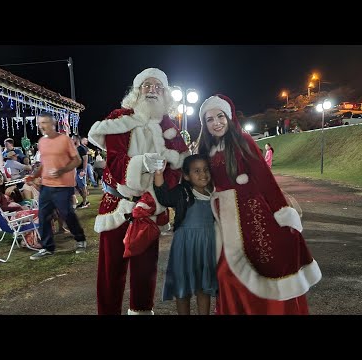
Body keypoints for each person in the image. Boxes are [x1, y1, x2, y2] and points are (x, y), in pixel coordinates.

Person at [197, 94, 321, 315]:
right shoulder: (206, 150)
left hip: (254, 214)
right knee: (227, 275)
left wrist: (283, 213)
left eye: (220, 116)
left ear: (229, 116)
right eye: (209, 119)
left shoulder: (243, 141)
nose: (216, 122)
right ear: (204, 125)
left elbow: (265, 179)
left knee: (265, 269)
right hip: (223, 221)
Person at [88, 67, 190, 315]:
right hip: (118, 205)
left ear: (164, 93)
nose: (152, 90)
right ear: (137, 90)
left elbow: (179, 166)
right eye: (147, 85)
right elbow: (114, 160)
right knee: (111, 269)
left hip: (150, 208)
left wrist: (160, 191)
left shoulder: (168, 125)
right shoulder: (120, 118)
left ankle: (142, 310)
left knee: (146, 268)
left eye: (157, 87)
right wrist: (142, 163)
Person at [154, 154, 218, 315]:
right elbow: (165, 198)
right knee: (183, 289)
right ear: (186, 175)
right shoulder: (183, 192)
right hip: (185, 246)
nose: (203, 174)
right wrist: (159, 174)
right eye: (196, 171)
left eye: (205, 170)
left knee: (204, 289)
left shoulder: (215, 193)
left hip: (207, 246)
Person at [27, 111, 87, 260]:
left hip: (63, 185)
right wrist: (34, 175)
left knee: (67, 213)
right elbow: (43, 164)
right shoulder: (41, 142)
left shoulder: (65, 140)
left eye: (44, 123)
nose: (41, 126)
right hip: (47, 185)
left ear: (53, 124)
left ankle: (80, 240)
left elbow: (77, 160)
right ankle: (47, 248)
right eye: (39, 123)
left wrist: (61, 170)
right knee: (43, 215)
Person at [0, 169, 40, 249]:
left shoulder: (3, 188)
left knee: (40, 212)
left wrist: (15, 190)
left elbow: (20, 200)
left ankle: (30, 240)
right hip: (7, 218)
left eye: (0, 176)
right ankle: (30, 241)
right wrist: (18, 207)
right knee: (39, 214)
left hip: (14, 214)